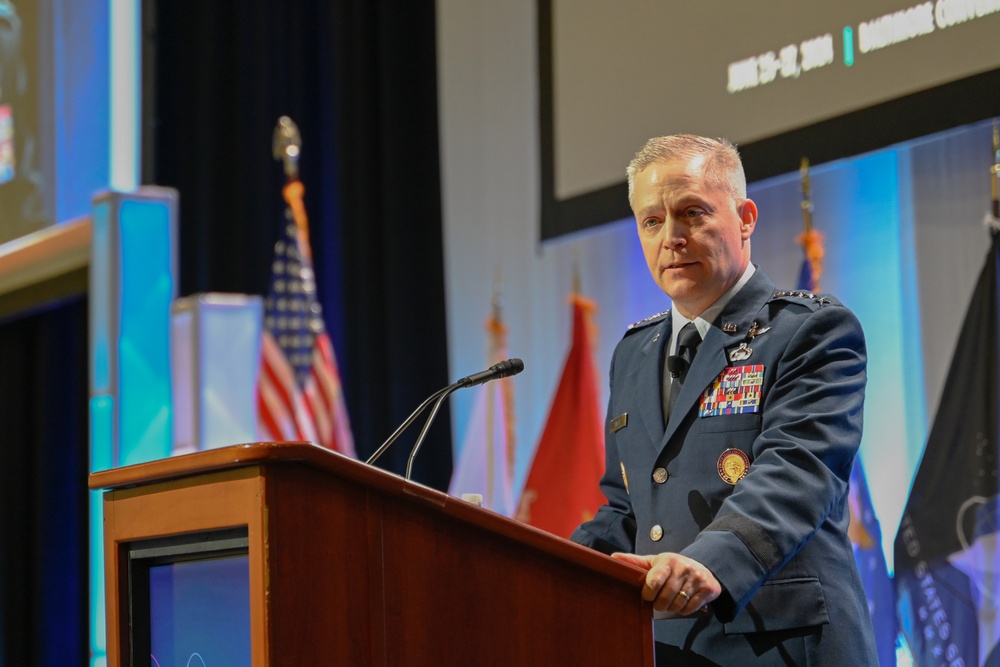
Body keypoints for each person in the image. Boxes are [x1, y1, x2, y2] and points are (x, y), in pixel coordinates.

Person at [570, 134, 878, 665]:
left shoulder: (811, 330)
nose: (672, 238)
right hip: (668, 650)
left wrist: (712, 562)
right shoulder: (633, 352)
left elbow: (798, 471)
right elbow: (626, 507)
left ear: (745, 217)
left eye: (692, 213)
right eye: (652, 221)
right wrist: (547, 566)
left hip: (782, 642)